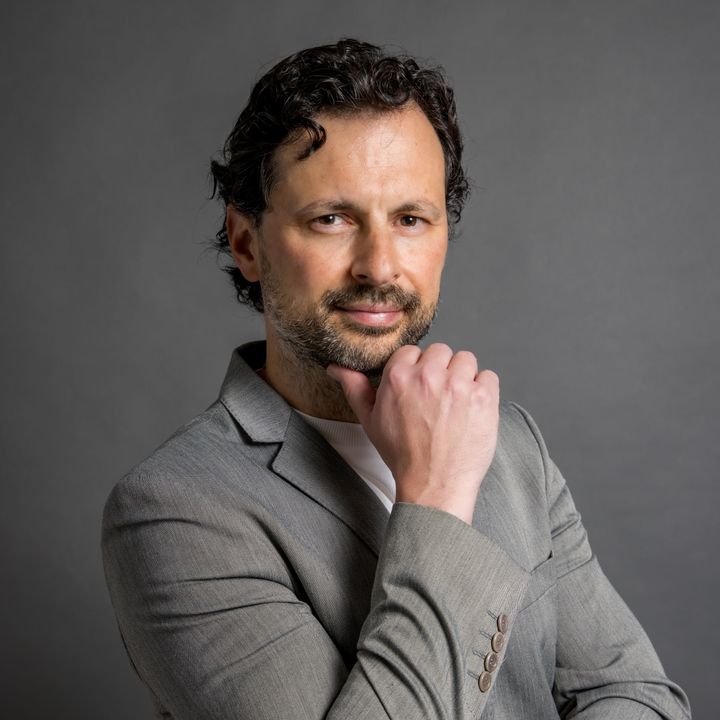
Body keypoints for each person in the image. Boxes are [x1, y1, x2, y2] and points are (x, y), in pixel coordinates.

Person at [102, 39, 691, 719]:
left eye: (411, 219)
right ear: (246, 243)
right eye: (331, 219)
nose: (379, 267)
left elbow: (637, 695)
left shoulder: (507, 441)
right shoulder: (175, 510)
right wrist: (438, 494)